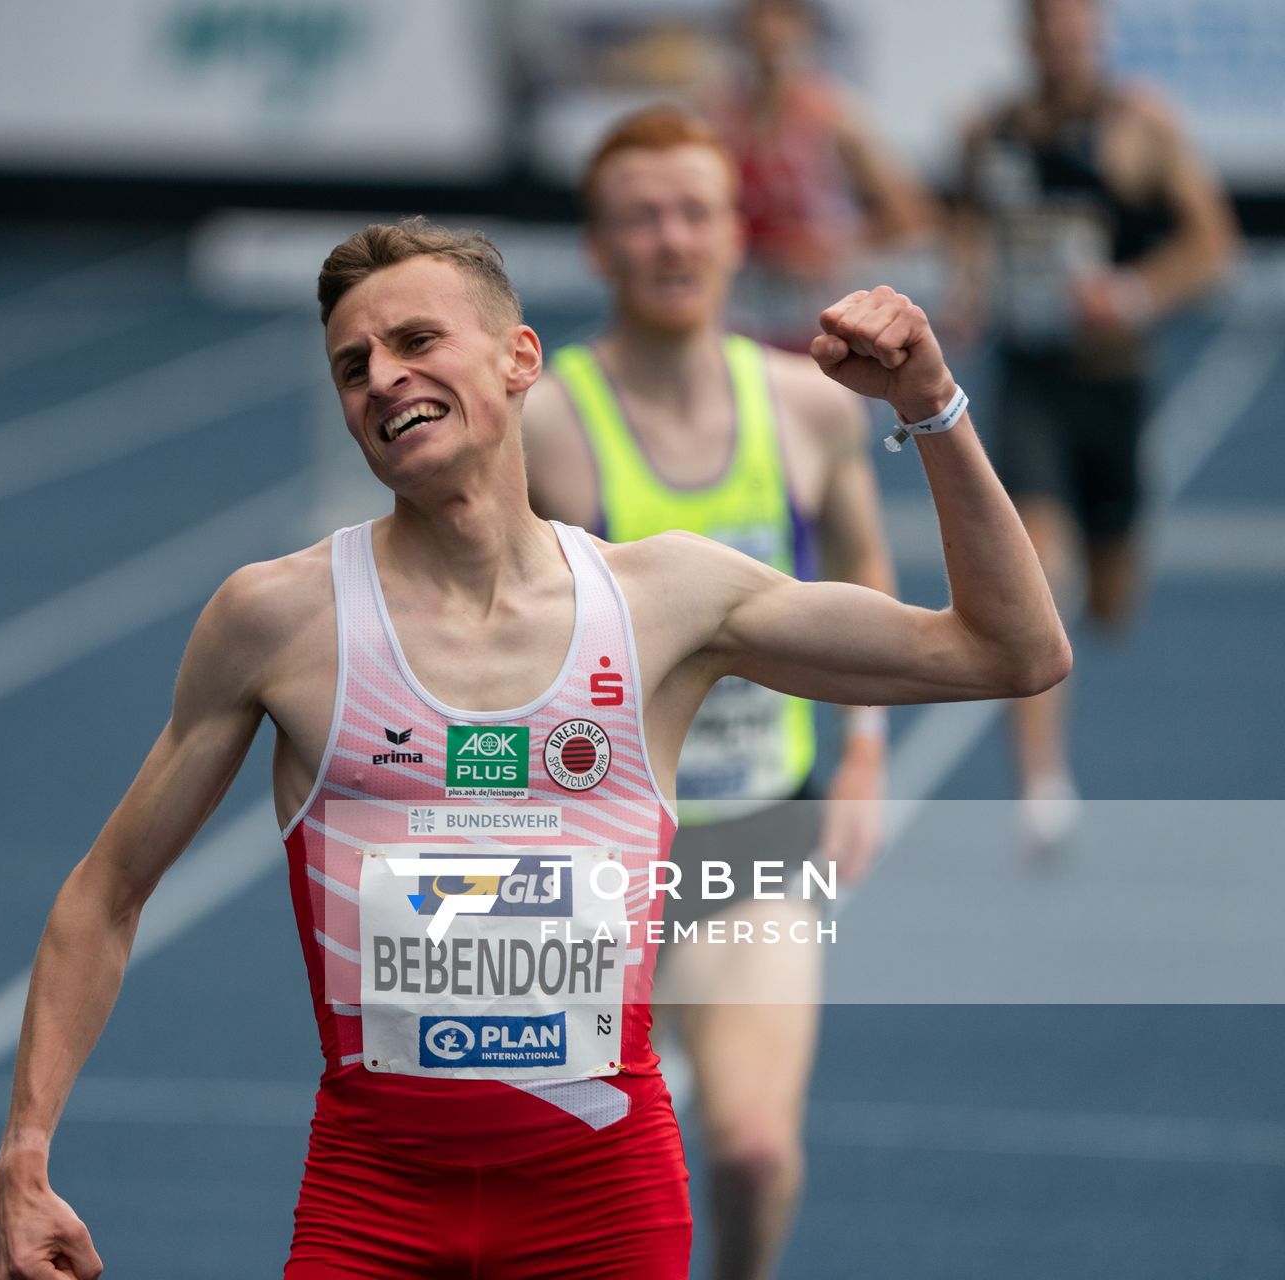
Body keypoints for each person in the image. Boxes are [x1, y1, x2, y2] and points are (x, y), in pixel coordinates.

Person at [0, 216, 1069, 1279]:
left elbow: (1012, 650)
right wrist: (24, 1159)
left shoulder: (663, 600)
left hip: (603, 1209)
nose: (382, 376)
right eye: (352, 365)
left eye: (417, 340)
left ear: (519, 359)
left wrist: (931, 403)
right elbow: (104, 893)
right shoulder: (282, 619)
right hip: (372, 1207)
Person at [521, 105, 893, 1280]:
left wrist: (865, 752)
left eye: (695, 212)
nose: (672, 239)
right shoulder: (542, 428)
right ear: (598, 245)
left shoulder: (809, 406)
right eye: (641, 217)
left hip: (756, 831)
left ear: (737, 233)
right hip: (586, 844)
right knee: (562, 1181)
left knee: (750, 1152)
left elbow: (865, 571)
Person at [955, 0, 1237, 852]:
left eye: (1083, 36)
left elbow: (1213, 243)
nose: (1070, 51)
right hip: (1030, 381)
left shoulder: (1142, 128)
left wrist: (1135, 295)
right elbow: (966, 228)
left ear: (1099, 39)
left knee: (1110, 604)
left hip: (1114, 385)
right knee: (1041, 571)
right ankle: (1044, 786)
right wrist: (969, 286)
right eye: (1055, 36)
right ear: (1031, 41)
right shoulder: (992, 133)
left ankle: (1101, 565)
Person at [710, 0, 932, 350]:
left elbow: (910, 215)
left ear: (804, 29)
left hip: (819, 322)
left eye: (782, 16)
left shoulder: (834, 115)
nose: (768, 30)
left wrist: (833, 249)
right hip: (740, 323)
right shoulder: (720, 117)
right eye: (759, 16)